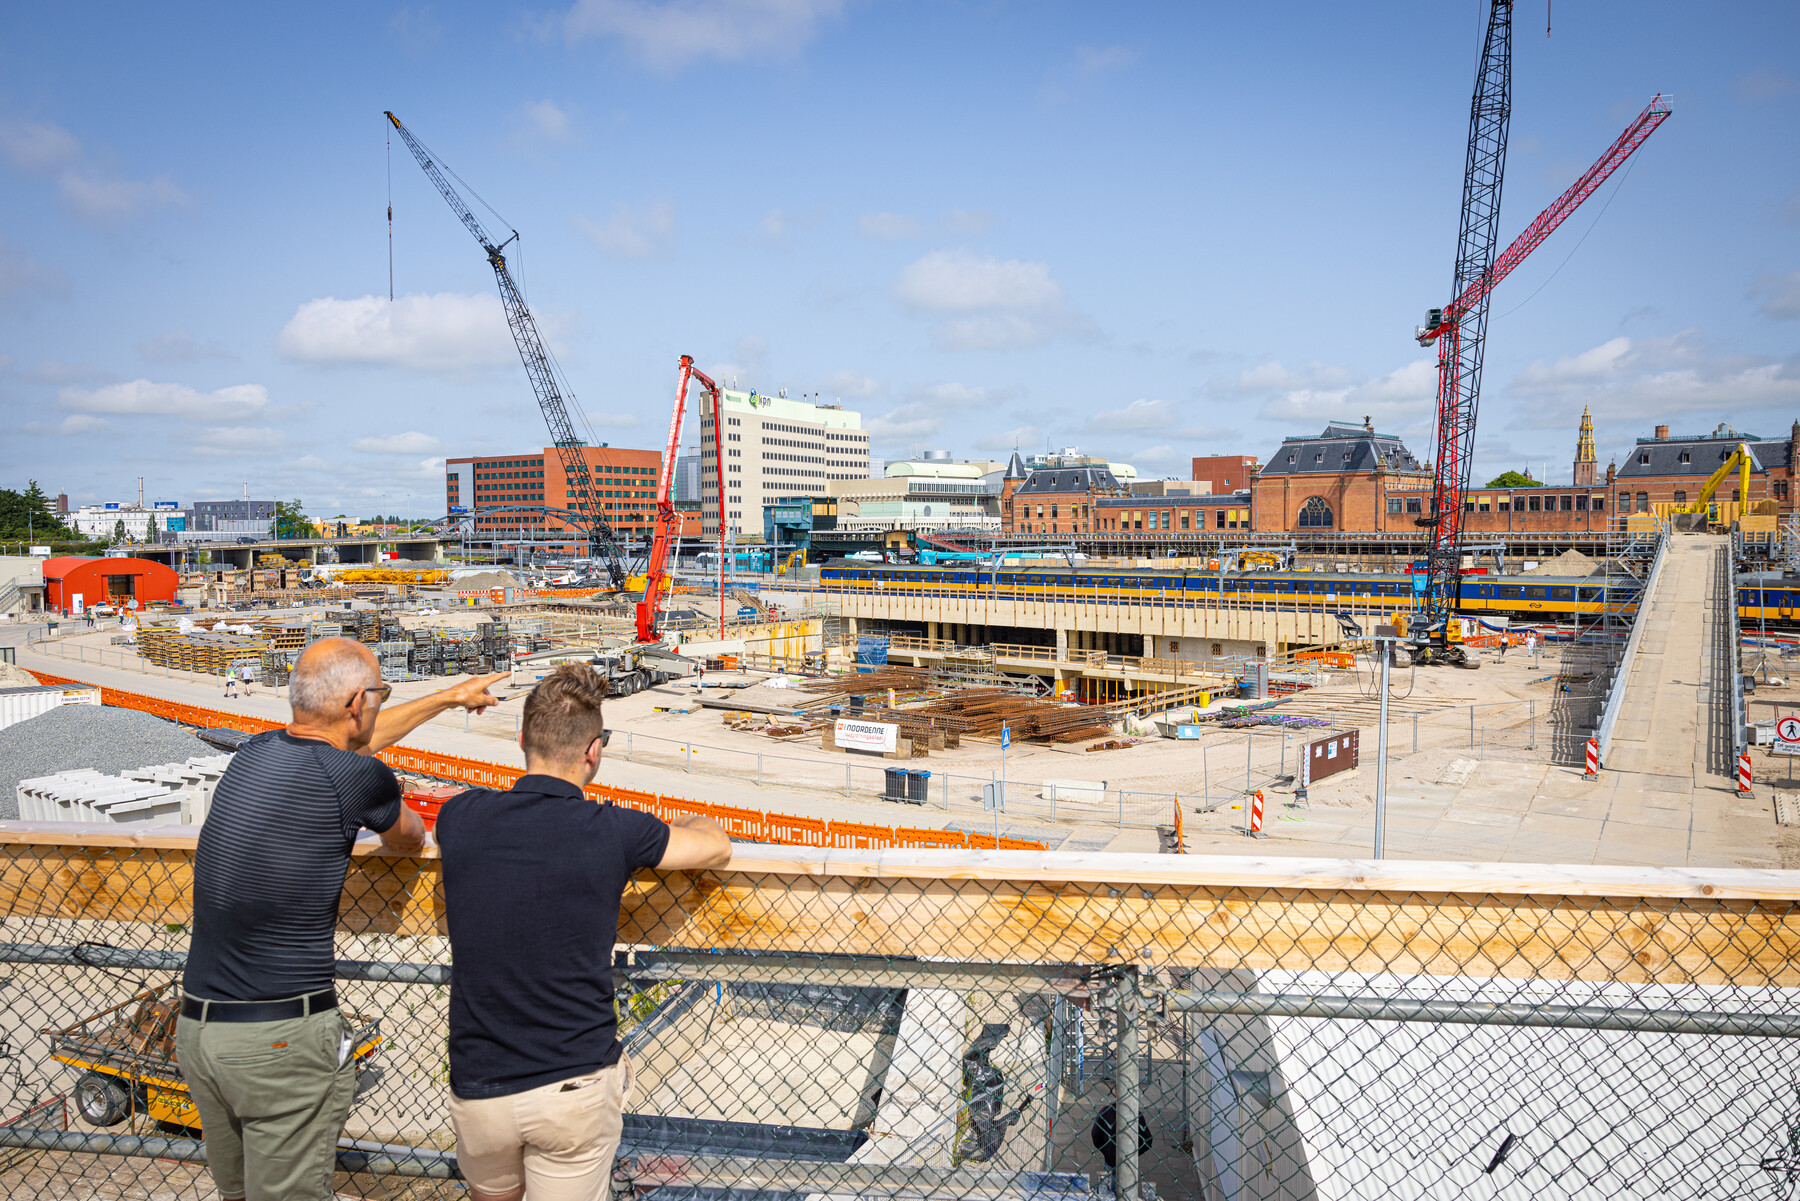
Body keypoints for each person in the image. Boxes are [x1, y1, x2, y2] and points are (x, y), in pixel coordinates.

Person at [177, 639, 506, 1201]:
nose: (379, 706)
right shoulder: (357, 776)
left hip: (201, 1033)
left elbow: (351, 742)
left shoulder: (254, 753)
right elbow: (409, 838)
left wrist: (449, 697)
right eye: (379, 695)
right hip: (278, 1042)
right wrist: (384, 787)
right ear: (358, 703)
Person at [436, 664, 731, 1201]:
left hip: (480, 1086)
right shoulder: (615, 829)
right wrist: (692, 821)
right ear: (594, 751)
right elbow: (716, 847)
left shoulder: (461, 817)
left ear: (522, 739)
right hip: (572, 1084)